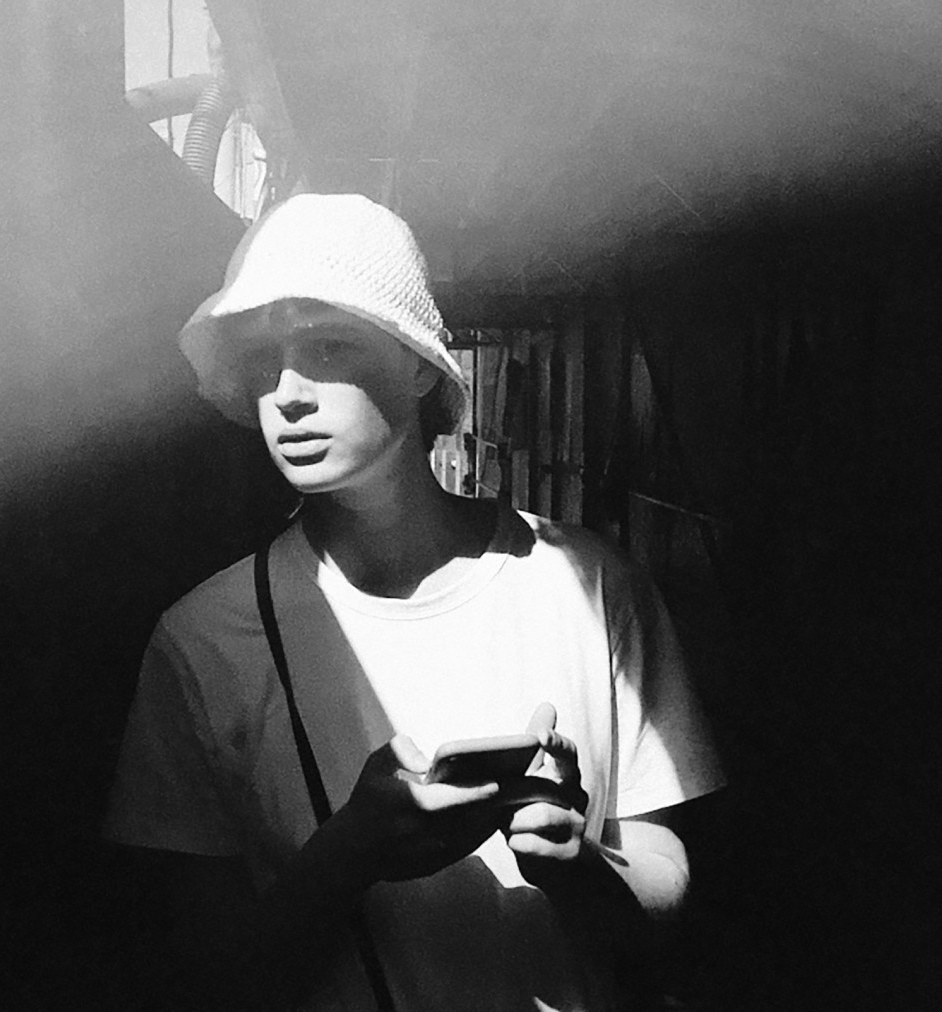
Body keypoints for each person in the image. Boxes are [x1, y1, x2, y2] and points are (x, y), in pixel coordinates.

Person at [102, 193, 724, 1011]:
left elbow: (666, 886)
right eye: (262, 358)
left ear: (420, 364)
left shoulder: (587, 585)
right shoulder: (206, 639)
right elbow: (201, 976)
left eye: (329, 345)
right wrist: (348, 855)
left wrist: (577, 866)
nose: (286, 392)